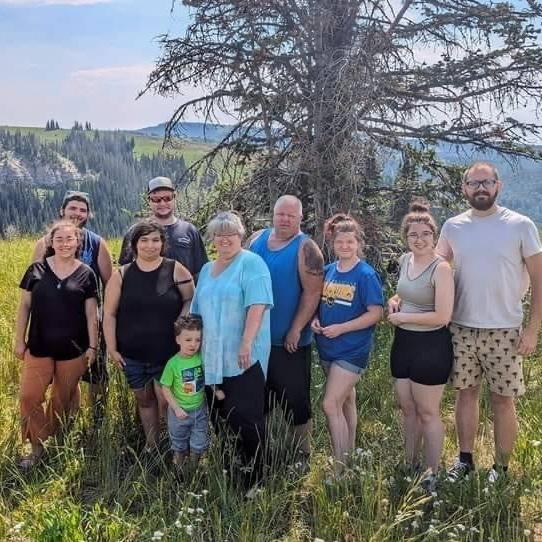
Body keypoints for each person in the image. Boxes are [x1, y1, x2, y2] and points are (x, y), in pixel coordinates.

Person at [436, 162, 542, 482]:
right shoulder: (453, 227)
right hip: (461, 326)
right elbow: (434, 270)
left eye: (486, 182)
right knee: (465, 394)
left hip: (505, 329)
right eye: (474, 183)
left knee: (502, 399)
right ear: (464, 188)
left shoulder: (520, 225)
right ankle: (465, 461)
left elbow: (539, 280)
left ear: (498, 185)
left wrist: (533, 329)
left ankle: (501, 469)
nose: (480, 188)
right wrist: (404, 295)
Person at [191, 211, 273, 485]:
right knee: (220, 418)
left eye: (231, 234)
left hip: (242, 358)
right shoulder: (206, 269)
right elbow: (196, 312)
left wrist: (246, 343)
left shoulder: (252, 263)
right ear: (212, 238)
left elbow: (257, 305)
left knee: (247, 419)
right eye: (219, 234)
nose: (224, 239)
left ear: (240, 235)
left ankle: (258, 478)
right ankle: (232, 469)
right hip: (211, 358)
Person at [103, 219, 194, 451]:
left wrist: (182, 319)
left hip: (168, 353)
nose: (150, 245)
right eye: (144, 240)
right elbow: (109, 314)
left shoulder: (175, 269)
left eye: (155, 240)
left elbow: (190, 298)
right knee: (144, 400)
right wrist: (112, 348)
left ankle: (173, 445)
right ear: (134, 244)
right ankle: (151, 446)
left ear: (163, 243)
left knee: (166, 400)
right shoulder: (121, 275)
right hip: (132, 354)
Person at [14, 220, 98, 468]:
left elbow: (91, 314)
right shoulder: (36, 270)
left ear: (77, 242)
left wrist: (93, 346)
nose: (64, 244)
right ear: (51, 242)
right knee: (29, 396)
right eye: (59, 239)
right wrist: (19, 340)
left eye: (69, 239)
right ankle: (37, 445)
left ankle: (55, 440)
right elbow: (24, 307)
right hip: (39, 345)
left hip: (73, 348)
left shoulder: (86, 273)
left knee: (61, 399)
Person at [249, 195, 324, 458]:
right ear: (273, 213)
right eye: (281, 214)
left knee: (295, 401)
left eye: (291, 215)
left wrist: (296, 328)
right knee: (258, 400)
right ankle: (262, 452)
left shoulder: (306, 248)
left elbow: (313, 293)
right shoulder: (256, 240)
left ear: (300, 218)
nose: (285, 219)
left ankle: (302, 453)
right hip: (256, 340)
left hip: (289, 343)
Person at [387, 201, 454, 490]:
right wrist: (394, 301)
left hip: (431, 346)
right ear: (406, 237)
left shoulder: (441, 269)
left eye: (425, 234)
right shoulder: (405, 260)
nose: (419, 239)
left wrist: (403, 317)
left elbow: (442, 316)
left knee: (427, 412)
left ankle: (431, 473)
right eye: (413, 234)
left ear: (434, 236)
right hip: (403, 343)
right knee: (407, 408)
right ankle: (409, 463)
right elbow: (404, 293)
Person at [311, 214, 383, 475]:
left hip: (351, 350)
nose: (344, 246)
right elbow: (319, 304)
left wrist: (342, 328)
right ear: (333, 244)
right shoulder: (329, 271)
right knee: (346, 400)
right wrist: (315, 319)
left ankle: (339, 470)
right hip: (327, 348)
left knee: (330, 404)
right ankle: (349, 455)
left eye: (350, 241)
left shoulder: (365, 275)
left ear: (358, 243)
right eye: (340, 241)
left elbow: (376, 313)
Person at [32, 191, 112, 410]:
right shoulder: (44, 243)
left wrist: (107, 317)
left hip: (90, 321)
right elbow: (33, 285)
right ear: (62, 210)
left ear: (88, 214)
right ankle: (65, 421)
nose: (77, 213)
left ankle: (97, 419)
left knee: (96, 374)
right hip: (52, 323)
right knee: (61, 376)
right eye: (73, 208)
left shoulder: (97, 243)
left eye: (82, 210)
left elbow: (110, 283)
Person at [119, 176, 208, 279]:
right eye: (156, 199)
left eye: (167, 198)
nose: (162, 203)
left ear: (174, 198)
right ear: (149, 201)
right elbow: (124, 271)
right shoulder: (135, 232)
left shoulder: (190, 231)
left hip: (185, 289)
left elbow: (201, 270)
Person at [160, 316, 210, 469]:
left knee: (198, 443)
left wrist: (216, 390)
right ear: (178, 340)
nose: (193, 344)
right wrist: (176, 408)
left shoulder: (201, 358)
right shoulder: (173, 364)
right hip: (179, 414)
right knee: (179, 445)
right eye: (188, 340)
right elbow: (165, 387)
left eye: (197, 340)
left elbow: (208, 376)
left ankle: (192, 471)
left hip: (199, 410)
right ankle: (179, 471)